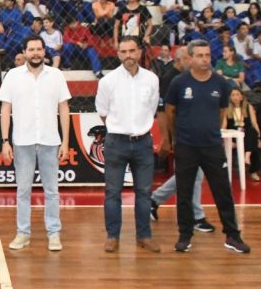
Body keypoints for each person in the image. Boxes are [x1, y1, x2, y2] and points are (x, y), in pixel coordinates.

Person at [164, 40, 250, 254]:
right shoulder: (179, 82)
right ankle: (185, 235)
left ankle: (232, 235)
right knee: (184, 192)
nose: (205, 59)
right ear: (190, 58)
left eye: (207, 55)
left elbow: (221, 112)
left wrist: (211, 131)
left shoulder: (220, 83)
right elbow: (170, 112)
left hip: (212, 146)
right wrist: (176, 137)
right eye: (200, 55)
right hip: (186, 146)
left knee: (223, 191)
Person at [0, 35, 71, 252]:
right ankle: (23, 233)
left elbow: (64, 108)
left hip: (50, 141)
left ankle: (54, 234)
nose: (36, 53)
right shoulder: (13, 76)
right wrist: (5, 141)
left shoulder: (56, 75)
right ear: (24, 52)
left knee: (52, 191)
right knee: (23, 191)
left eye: (39, 49)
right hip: (22, 141)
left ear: (44, 51)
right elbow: (5, 109)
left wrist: (65, 142)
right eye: (31, 49)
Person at [95, 38, 160, 253]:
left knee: (144, 192)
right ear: (118, 54)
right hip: (116, 142)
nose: (128, 55)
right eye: (124, 51)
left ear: (139, 52)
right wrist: (119, 128)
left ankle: (144, 236)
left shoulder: (151, 79)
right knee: (113, 192)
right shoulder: (108, 81)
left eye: (132, 51)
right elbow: (102, 112)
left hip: (143, 141)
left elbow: (152, 109)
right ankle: (112, 236)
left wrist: (138, 128)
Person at [226, 88, 261, 182]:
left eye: (237, 95)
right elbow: (224, 126)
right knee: (252, 143)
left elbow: (254, 123)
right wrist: (226, 141)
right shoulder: (226, 108)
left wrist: (258, 137)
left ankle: (247, 156)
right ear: (230, 97)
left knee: (252, 131)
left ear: (241, 97)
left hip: (247, 134)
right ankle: (252, 169)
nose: (235, 97)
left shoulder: (248, 106)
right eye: (233, 95)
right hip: (234, 135)